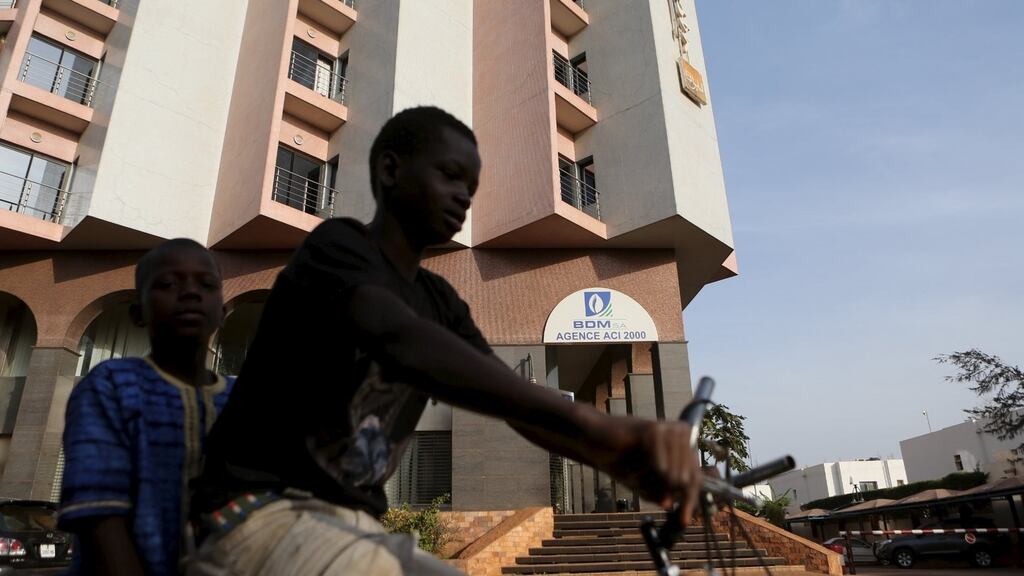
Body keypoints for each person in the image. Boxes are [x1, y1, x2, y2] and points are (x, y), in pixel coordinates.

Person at [188, 106, 701, 575]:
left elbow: (516, 404)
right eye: (450, 176)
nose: (464, 195)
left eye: (471, 187)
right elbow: (396, 337)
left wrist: (625, 462)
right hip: (257, 513)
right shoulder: (337, 246)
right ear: (391, 171)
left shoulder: (440, 299)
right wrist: (600, 424)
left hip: (354, 526)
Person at [59, 238, 233, 576]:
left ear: (223, 311)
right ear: (138, 313)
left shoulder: (243, 398)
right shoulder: (112, 384)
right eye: (168, 284)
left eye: (207, 284)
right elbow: (97, 514)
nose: (190, 293)